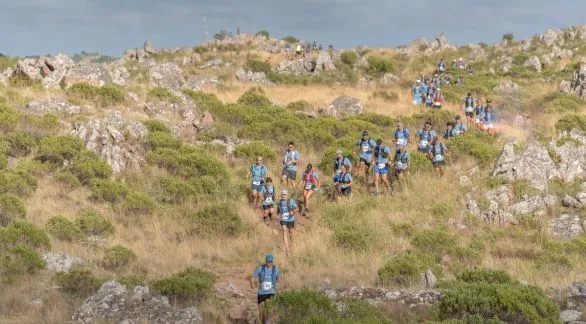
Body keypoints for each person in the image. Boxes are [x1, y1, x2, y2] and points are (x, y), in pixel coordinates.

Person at [250, 254, 280, 324]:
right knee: (261, 311)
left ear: (273, 262)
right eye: (268, 261)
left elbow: (278, 279)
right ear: (266, 261)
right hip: (261, 293)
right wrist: (252, 285)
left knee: (269, 310)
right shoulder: (260, 268)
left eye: (271, 261)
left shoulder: (276, 269)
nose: (269, 263)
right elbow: (252, 277)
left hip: (271, 293)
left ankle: (268, 322)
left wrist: (277, 285)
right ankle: (263, 322)